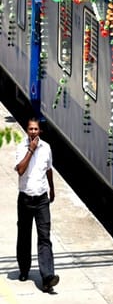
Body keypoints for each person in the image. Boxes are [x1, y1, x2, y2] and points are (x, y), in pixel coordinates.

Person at [15, 117, 59, 293]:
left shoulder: (47, 148)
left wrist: (52, 189)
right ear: (27, 130)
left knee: (44, 237)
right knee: (24, 235)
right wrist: (31, 150)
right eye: (30, 129)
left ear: (40, 131)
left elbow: (49, 170)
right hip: (25, 198)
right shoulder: (21, 147)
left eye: (36, 129)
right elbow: (20, 170)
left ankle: (48, 276)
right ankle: (24, 269)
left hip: (41, 199)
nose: (33, 132)